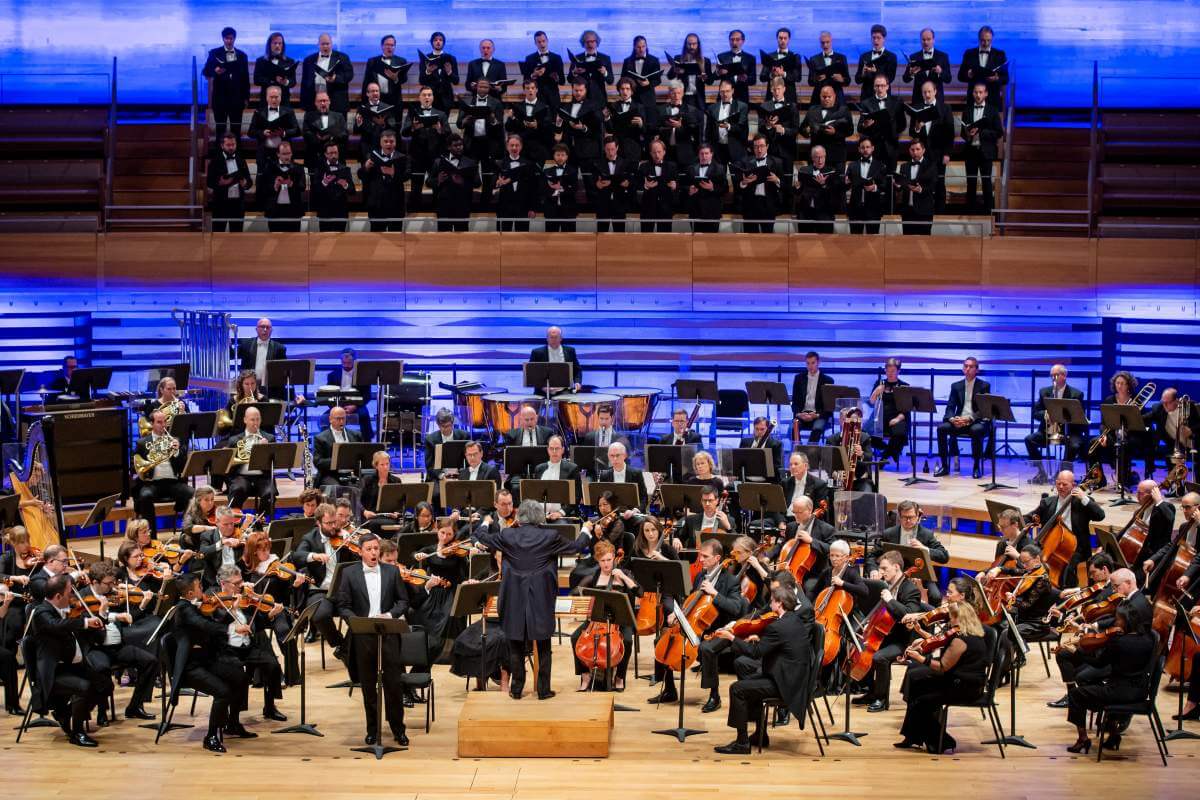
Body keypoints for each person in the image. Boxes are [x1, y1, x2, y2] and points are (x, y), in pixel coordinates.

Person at [475, 500, 577, 699]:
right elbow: (577, 546)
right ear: (539, 516)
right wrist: (587, 530)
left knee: (515, 645)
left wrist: (486, 522)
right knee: (544, 645)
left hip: (514, 599)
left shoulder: (508, 535)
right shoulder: (550, 535)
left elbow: (481, 536)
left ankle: (516, 690)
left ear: (520, 516)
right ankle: (544, 691)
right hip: (541, 599)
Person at [710, 585, 813, 754]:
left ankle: (742, 743)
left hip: (786, 685)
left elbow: (755, 653)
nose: (769, 604)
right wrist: (760, 640)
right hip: (794, 677)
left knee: (737, 689)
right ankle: (760, 734)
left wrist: (731, 638)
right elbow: (780, 644)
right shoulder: (794, 620)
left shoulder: (777, 626)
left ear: (780, 604)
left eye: (772, 601)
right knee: (748, 678)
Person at [333, 533, 411, 746]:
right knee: (368, 686)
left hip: (388, 634)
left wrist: (390, 615)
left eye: (376, 548)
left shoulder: (392, 571)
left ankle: (398, 729)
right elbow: (343, 605)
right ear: (360, 552)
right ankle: (372, 730)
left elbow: (403, 601)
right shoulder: (349, 573)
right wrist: (356, 622)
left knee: (393, 685)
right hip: (363, 635)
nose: (374, 552)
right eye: (369, 549)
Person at [650, 538, 745, 704]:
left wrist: (715, 593)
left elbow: (735, 608)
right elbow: (692, 601)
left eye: (705, 556)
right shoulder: (700, 576)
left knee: (706, 648)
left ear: (717, 558)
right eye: (701, 555)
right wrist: (678, 614)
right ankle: (669, 690)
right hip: (697, 625)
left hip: (720, 629)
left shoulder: (731, 581)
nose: (700, 559)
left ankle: (714, 696)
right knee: (661, 641)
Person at [894, 601, 989, 754]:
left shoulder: (960, 640)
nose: (949, 621)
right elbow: (940, 644)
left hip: (965, 687)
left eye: (951, 617)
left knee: (920, 701)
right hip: (962, 681)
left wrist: (919, 658)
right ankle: (913, 737)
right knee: (917, 685)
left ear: (959, 618)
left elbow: (943, 667)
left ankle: (943, 741)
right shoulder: (969, 633)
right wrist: (921, 634)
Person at [1064, 595, 1155, 754]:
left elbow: (1099, 663)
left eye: (1117, 619)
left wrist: (1077, 653)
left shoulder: (1119, 641)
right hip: (1140, 692)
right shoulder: (1149, 639)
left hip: (1118, 693)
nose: (1115, 622)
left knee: (1076, 694)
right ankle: (1113, 735)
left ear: (1125, 621)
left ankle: (1083, 739)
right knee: (1097, 686)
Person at [170, 573, 250, 752]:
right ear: (190, 593)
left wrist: (233, 611)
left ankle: (232, 724)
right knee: (223, 692)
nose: (203, 589)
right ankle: (211, 737)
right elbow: (207, 626)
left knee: (240, 677)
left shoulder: (196, 605)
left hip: (205, 660)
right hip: (190, 668)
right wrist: (233, 629)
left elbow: (213, 626)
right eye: (199, 587)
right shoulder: (184, 610)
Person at [28, 573, 110, 747]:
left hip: (73, 666)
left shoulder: (67, 610)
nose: (73, 596)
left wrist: (100, 617)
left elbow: (83, 629)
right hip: (54, 672)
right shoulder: (41, 612)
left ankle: (65, 713)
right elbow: (56, 625)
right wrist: (85, 622)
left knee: (105, 684)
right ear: (58, 597)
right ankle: (77, 733)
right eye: (69, 592)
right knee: (84, 687)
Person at [699, 535, 770, 712]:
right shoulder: (735, 568)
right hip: (734, 617)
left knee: (709, 647)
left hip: (751, 616)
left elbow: (771, 583)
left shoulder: (758, 567)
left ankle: (716, 695)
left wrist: (757, 565)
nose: (733, 554)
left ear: (749, 552)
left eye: (738, 552)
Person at [211, 564, 287, 724]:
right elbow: (216, 627)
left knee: (272, 664)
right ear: (223, 583)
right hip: (226, 649)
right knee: (239, 674)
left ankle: (270, 706)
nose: (241, 586)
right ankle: (233, 719)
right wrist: (233, 609)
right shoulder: (214, 599)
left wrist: (270, 615)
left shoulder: (244, 597)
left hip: (247, 646)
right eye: (236, 583)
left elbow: (256, 623)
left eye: (241, 581)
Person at [854, 550, 923, 712]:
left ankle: (881, 698)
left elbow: (908, 615)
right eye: (880, 568)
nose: (881, 572)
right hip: (885, 634)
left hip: (903, 639)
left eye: (884, 568)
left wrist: (890, 600)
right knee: (864, 648)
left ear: (896, 567)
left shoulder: (911, 590)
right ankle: (871, 691)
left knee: (879, 657)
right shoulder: (886, 586)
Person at [570, 540, 639, 690]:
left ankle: (620, 677)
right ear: (597, 560)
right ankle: (585, 675)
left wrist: (624, 577)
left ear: (614, 557)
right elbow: (575, 592)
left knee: (627, 641)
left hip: (621, 620)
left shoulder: (624, 573)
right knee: (575, 637)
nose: (606, 564)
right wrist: (585, 598)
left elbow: (639, 592)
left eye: (609, 560)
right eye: (602, 561)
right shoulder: (594, 576)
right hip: (598, 620)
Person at [293, 503, 358, 658]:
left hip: (343, 590)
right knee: (320, 616)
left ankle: (347, 649)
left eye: (335, 522)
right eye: (329, 523)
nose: (333, 526)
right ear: (318, 523)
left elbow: (357, 560)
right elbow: (297, 556)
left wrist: (353, 544)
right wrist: (314, 556)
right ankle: (341, 645)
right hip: (320, 591)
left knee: (362, 616)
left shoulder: (344, 537)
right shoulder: (310, 538)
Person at [1026, 469, 1107, 588]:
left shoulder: (1081, 502)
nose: (1061, 487)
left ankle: (1067, 592)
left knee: (1068, 568)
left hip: (1077, 548)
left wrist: (1084, 498)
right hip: (1050, 545)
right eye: (1058, 483)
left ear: (1073, 485)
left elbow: (1100, 516)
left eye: (1065, 484)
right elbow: (1031, 517)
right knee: (1029, 556)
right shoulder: (1047, 502)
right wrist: (1018, 521)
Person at [133, 409, 192, 534]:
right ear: (152, 424)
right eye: (159, 422)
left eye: (164, 421)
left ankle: (187, 533)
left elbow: (183, 465)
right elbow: (135, 466)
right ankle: (152, 536)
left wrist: (177, 452)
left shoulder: (174, 440)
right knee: (144, 496)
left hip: (173, 483)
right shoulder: (142, 443)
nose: (163, 425)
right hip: (152, 483)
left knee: (192, 494)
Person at [934, 357, 993, 479]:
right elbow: (950, 407)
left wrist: (970, 419)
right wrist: (952, 419)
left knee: (976, 430)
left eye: (971, 367)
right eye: (965, 366)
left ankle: (976, 467)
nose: (967, 369)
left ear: (977, 370)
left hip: (975, 421)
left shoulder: (984, 386)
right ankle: (944, 466)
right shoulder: (956, 386)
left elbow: (984, 409)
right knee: (941, 429)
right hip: (959, 421)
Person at [769, 497, 835, 598]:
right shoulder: (791, 527)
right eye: (794, 512)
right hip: (790, 568)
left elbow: (832, 549)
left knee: (808, 589)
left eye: (799, 512)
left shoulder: (826, 529)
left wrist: (812, 541)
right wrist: (767, 556)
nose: (796, 515)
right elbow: (783, 545)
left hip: (814, 573)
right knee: (772, 584)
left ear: (810, 510)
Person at [1026, 363, 1088, 468]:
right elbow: (1035, 413)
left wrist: (1065, 417)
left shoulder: (1076, 394)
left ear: (1064, 376)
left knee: (1074, 446)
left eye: (1056, 375)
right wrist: (1046, 414)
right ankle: (1041, 471)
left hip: (1070, 431)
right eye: (1051, 375)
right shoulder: (1044, 392)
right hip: (1049, 431)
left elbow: (1080, 417)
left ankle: (1063, 471)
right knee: (1029, 440)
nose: (1052, 378)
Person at [908, 80, 954, 212]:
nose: (927, 95)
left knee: (939, 182)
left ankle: (940, 212)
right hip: (922, 154)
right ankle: (922, 210)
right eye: (924, 92)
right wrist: (917, 128)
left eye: (929, 91)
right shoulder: (917, 108)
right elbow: (912, 133)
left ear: (935, 91)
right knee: (921, 183)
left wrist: (947, 153)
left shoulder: (945, 108)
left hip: (939, 153)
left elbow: (950, 133)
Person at [402, 87, 450, 210]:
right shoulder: (413, 113)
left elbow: (448, 133)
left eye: (429, 95)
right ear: (419, 97)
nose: (427, 97)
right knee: (416, 186)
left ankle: (437, 210)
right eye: (424, 95)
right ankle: (415, 211)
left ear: (433, 97)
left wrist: (440, 130)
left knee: (437, 184)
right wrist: (414, 128)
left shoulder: (441, 114)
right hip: (417, 155)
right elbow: (404, 132)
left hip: (435, 156)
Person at [1143, 491, 1198, 595]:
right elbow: (1171, 545)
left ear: (1198, 507)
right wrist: (1153, 559)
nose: (1184, 511)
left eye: (1188, 507)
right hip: (1182, 570)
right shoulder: (1184, 526)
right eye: (1183, 507)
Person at [225, 406, 276, 517]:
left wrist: (266, 449)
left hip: (262, 477)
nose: (255, 423)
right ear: (245, 420)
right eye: (252, 419)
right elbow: (228, 465)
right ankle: (235, 521)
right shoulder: (234, 440)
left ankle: (260, 520)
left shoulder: (269, 438)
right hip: (242, 476)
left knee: (270, 493)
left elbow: (274, 463)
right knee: (238, 489)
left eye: (258, 419)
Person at [961, 84, 1003, 213]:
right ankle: (971, 213)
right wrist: (968, 134)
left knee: (986, 183)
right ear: (972, 93)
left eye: (981, 92)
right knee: (971, 183)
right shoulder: (967, 110)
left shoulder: (992, 110)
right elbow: (963, 133)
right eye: (976, 92)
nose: (978, 95)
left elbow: (999, 132)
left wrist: (981, 133)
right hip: (971, 151)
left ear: (986, 94)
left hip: (986, 152)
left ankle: (988, 213)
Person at [203, 27, 251, 142]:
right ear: (223, 38)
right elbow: (205, 71)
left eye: (231, 38)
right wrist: (215, 71)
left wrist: (246, 98)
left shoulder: (242, 55)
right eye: (226, 38)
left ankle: (237, 152)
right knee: (220, 130)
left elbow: (245, 78)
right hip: (220, 98)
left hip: (237, 99)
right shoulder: (214, 53)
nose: (229, 41)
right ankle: (220, 153)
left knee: (236, 130)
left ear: (235, 39)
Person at [358, 128, 407, 232]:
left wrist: (393, 173)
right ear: (381, 142)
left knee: (395, 237)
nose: (388, 144)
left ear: (395, 143)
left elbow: (407, 175)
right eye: (385, 141)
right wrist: (366, 167)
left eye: (391, 141)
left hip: (395, 206)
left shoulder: (402, 158)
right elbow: (360, 175)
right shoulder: (371, 156)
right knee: (376, 237)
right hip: (377, 206)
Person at [427, 134, 478, 232]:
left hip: (462, 206)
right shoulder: (438, 162)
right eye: (455, 145)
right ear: (449, 147)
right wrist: (438, 180)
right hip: (444, 206)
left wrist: (462, 182)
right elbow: (428, 182)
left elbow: (477, 183)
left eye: (460, 145)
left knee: (462, 235)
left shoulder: (470, 162)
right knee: (444, 236)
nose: (459, 147)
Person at [856, 75, 906, 171]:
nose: (880, 88)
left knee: (890, 175)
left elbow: (902, 125)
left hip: (891, 146)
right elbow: (860, 128)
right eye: (877, 86)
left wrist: (892, 130)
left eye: (882, 85)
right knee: (875, 176)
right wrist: (865, 125)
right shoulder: (866, 103)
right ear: (874, 87)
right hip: (874, 147)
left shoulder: (897, 102)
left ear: (887, 86)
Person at [735, 134, 782, 233]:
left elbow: (786, 186)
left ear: (767, 146)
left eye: (762, 146)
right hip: (750, 205)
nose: (759, 150)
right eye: (756, 147)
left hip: (769, 205)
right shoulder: (744, 162)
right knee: (750, 238)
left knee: (767, 237)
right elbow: (737, 187)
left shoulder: (777, 162)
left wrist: (777, 180)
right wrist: (743, 183)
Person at [207, 132, 253, 232]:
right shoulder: (215, 161)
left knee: (236, 236)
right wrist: (220, 183)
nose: (231, 147)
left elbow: (249, 181)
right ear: (222, 145)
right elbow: (209, 181)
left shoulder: (241, 160)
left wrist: (245, 183)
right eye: (228, 145)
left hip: (237, 205)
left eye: (233, 144)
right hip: (221, 205)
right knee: (218, 234)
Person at [257, 140, 306, 231]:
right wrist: (274, 185)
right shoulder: (269, 167)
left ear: (292, 153)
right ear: (278, 154)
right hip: (275, 211)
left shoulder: (298, 168)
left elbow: (302, 186)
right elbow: (262, 188)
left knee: (294, 238)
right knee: (274, 238)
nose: (287, 156)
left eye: (289, 153)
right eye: (284, 154)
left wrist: (291, 184)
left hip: (293, 211)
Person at [248, 84, 301, 169]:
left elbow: (297, 130)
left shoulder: (289, 112)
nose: (274, 100)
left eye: (276, 97)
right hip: (264, 154)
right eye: (271, 97)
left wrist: (283, 133)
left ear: (280, 97)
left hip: (284, 154)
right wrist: (263, 133)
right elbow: (251, 132)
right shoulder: (258, 112)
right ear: (266, 97)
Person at [493, 134, 538, 231]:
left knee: (522, 237)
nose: (514, 148)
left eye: (517, 145)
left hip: (523, 206)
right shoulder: (500, 164)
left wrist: (533, 208)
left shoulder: (529, 164)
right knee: (502, 236)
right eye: (512, 145)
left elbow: (533, 188)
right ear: (507, 146)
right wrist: (497, 183)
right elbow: (493, 184)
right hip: (504, 207)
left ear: (521, 147)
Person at [800, 85, 853, 168]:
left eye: (829, 97)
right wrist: (806, 131)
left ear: (834, 96)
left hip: (835, 156)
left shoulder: (843, 110)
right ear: (820, 96)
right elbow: (802, 128)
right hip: (816, 155)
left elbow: (850, 130)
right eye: (824, 97)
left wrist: (835, 132)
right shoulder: (812, 109)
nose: (826, 99)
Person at [589, 136, 634, 233]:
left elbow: (630, 183)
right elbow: (593, 182)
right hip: (603, 204)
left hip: (620, 204)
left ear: (617, 148)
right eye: (608, 149)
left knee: (619, 234)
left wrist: (617, 183)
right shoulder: (597, 164)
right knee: (601, 234)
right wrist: (597, 184)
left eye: (612, 149)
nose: (610, 152)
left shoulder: (626, 163)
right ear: (604, 148)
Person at [958, 26, 1008, 112]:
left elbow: (1006, 78)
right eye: (983, 40)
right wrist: (968, 75)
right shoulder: (969, 53)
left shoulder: (1000, 54)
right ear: (978, 38)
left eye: (989, 40)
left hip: (992, 98)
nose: (986, 43)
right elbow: (960, 76)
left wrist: (996, 78)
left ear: (992, 39)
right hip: (973, 98)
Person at [300, 33, 353, 114]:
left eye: (327, 44)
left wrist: (335, 78)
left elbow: (349, 75)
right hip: (313, 103)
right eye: (323, 44)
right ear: (318, 44)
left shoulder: (342, 57)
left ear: (331, 44)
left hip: (336, 103)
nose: (325, 46)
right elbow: (304, 83)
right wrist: (303, 104)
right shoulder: (309, 60)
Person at [312, 406, 362, 487]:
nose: (341, 421)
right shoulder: (320, 438)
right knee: (337, 489)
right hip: (330, 475)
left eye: (343, 418)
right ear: (330, 419)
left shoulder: (356, 435)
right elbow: (318, 462)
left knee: (363, 486)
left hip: (351, 474)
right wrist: (337, 461)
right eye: (338, 419)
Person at [310, 141, 355, 232]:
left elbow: (352, 191)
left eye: (335, 152)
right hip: (324, 212)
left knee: (340, 239)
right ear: (325, 154)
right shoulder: (319, 169)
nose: (333, 155)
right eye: (331, 153)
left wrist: (345, 185)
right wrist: (324, 182)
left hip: (341, 212)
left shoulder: (345, 169)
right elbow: (314, 190)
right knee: (324, 239)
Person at [506, 77, 551, 167]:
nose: (530, 90)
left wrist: (537, 125)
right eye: (527, 88)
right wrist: (512, 118)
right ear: (524, 90)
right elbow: (508, 128)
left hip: (539, 144)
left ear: (536, 90)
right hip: (522, 147)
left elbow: (548, 127)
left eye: (532, 88)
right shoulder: (517, 107)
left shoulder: (545, 107)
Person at [795, 145, 841, 233]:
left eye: (822, 157)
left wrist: (823, 185)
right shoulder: (803, 171)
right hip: (806, 214)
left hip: (825, 214)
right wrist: (797, 188)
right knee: (804, 240)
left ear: (825, 156)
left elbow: (835, 194)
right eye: (817, 157)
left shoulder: (833, 172)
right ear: (812, 158)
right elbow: (798, 192)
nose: (820, 160)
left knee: (825, 240)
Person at [791, 351, 834, 443]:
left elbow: (829, 407)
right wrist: (799, 414)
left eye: (813, 363)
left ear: (818, 363)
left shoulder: (828, 380)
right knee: (793, 428)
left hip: (819, 415)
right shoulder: (799, 378)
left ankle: (810, 451)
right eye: (808, 363)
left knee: (817, 429)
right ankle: (799, 449)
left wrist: (817, 415)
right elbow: (795, 402)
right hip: (802, 414)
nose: (810, 366)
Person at [896, 138, 936, 235]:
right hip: (907, 212)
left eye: (918, 149)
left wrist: (921, 189)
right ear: (909, 151)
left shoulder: (931, 165)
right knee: (907, 241)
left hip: (924, 211)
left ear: (923, 150)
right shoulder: (904, 166)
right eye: (912, 150)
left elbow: (934, 185)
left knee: (924, 240)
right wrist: (898, 186)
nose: (915, 152)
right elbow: (901, 187)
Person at [659, 81, 703, 168]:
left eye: (679, 93)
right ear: (669, 93)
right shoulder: (661, 109)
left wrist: (681, 126)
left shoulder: (691, 110)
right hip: (666, 152)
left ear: (682, 93)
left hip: (685, 152)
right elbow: (656, 128)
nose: (676, 96)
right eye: (673, 93)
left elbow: (696, 132)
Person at [902, 28, 951, 105]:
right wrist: (911, 73)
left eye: (928, 39)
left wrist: (940, 72)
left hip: (937, 100)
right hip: (918, 100)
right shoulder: (914, 57)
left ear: (933, 40)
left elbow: (948, 79)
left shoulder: (943, 56)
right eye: (923, 40)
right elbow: (905, 79)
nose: (926, 42)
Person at [237, 317, 286, 394]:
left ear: (271, 330)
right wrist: (228, 345)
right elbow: (233, 355)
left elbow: (282, 371)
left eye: (268, 327)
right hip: (249, 387)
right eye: (262, 327)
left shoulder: (279, 348)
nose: (265, 329)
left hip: (271, 389)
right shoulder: (246, 344)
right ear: (256, 329)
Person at [707, 80, 749, 168]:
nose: (725, 94)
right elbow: (709, 131)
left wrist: (729, 126)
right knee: (719, 176)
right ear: (719, 92)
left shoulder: (742, 106)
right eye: (722, 91)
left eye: (727, 91)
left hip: (735, 148)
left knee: (737, 175)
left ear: (732, 91)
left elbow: (742, 128)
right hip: (718, 150)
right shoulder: (712, 108)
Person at [638, 138, 677, 232]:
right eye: (654, 152)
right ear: (650, 153)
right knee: (646, 237)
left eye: (659, 152)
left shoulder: (672, 167)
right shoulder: (643, 167)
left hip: (666, 209)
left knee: (664, 238)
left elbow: (678, 186)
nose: (657, 155)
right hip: (648, 208)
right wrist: (645, 186)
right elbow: (637, 185)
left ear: (664, 152)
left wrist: (675, 186)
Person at [521, 31, 565, 113]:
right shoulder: (529, 58)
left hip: (553, 97)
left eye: (543, 41)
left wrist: (556, 78)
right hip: (537, 96)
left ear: (547, 41)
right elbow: (525, 80)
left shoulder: (557, 58)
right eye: (539, 42)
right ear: (535, 43)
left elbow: (562, 81)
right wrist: (533, 75)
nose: (542, 44)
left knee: (554, 119)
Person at [362, 34, 409, 108]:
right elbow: (366, 82)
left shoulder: (401, 61)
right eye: (387, 44)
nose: (389, 47)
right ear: (382, 46)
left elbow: (404, 79)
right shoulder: (372, 61)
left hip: (395, 100)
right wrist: (364, 103)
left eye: (392, 45)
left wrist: (395, 79)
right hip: (376, 99)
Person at [253, 32, 298, 108]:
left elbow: (293, 82)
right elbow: (257, 80)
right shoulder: (261, 61)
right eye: (275, 43)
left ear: (283, 45)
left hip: (284, 101)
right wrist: (273, 80)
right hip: (266, 101)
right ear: (269, 45)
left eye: (280, 43)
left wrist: (286, 82)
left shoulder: (290, 61)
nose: (277, 46)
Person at [758, 27, 802, 104]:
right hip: (771, 97)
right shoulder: (769, 56)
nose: (783, 40)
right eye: (780, 38)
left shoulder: (795, 57)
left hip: (789, 96)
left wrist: (783, 74)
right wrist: (772, 75)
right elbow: (762, 77)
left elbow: (798, 77)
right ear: (777, 39)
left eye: (785, 38)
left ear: (789, 39)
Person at [570, 30, 613, 107]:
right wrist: (575, 72)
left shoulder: (605, 58)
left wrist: (605, 73)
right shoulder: (577, 58)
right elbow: (569, 79)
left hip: (599, 99)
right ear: (583, 43)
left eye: (592, 41)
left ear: (597, 42)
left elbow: (610, 81)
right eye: (587, 42)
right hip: (580, 99)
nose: (590, 44)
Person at [419, 32, 460, 112]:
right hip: (431, 98)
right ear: (432, 42)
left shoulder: (451, 58)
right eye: (435, 40)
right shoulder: (426, 59)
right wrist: (428, 71)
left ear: (443, 42)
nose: (438, 42)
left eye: (440, 40)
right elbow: (421, 81)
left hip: (446, 98)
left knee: (444, 119)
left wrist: (449, 72)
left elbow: (456, 81)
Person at [302, 90, 348, 163]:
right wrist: (318, 139)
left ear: (329, 102)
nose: (323, 103)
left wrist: (331, 137)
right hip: (315, 151)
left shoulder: (339, 116)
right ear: (315, 103)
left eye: (325, 100)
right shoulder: (309, 116)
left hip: (334, 151)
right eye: (320, 101)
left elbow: (344, 133)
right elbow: (306, 133)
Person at [541, 144, 578, 231]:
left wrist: (561, 188)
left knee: (569, 236)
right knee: (551, 236)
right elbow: (542, 188)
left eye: (562, 155)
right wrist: (553, 189)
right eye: (558, 155)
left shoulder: (573, 171)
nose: (560, 157)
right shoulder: (546, 171)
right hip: (551, 210)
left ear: (567, 156)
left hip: (568, 210)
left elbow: (575, 188)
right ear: (553, 156)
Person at [714, 29, 756, 105]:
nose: (734, 42)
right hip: (724, 97)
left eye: (737, 40)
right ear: (729, 41)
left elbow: (753, 80)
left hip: (742, 98)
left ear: (743, 41)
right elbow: (714, 77)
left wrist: (746, 78)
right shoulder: (721, 57)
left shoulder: (750, 58)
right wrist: (718, 73)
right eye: (732, 39)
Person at [738, 416, 784, 481]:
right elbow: (739, 464)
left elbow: (777, 468)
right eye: (756, 429)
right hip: (746, 481)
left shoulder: (776, 445)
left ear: (767, 429)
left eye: (762, 429)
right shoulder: (744, 442)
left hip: (766, 482)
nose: (759, 432)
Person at [855, 24, 898, 88]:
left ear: (884, 39)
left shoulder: (891, 57)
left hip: (883, 93)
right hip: (867, 93)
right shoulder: (864, 56)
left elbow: (890, 78)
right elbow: (857, 80)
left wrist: (876, 72)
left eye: (878, 38)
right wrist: (863, 74)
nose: (875, 40)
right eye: (873, 38)